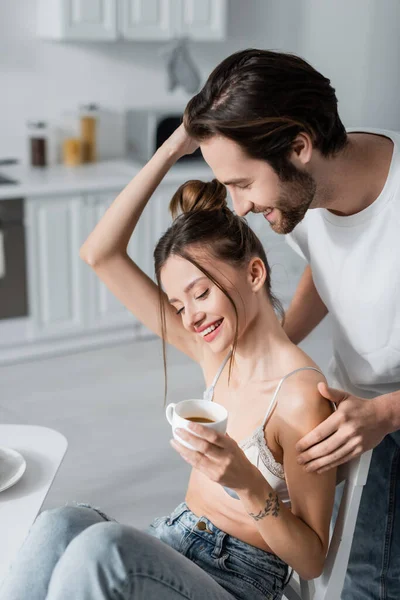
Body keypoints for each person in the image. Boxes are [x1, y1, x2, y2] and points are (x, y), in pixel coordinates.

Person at [0, 126, 337, 600]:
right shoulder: (216, 353)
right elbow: (99, 254)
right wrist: (174, 148)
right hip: (174, 540)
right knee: (63, 523)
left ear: (255, 273)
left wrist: (246, 483)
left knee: (104, 547)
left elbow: (312, 558)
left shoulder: (301, 399)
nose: (191, 317)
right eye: (179, 306)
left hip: (239, 578)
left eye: (201, 293)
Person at [182, 48, 400, 600]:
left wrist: (385, 412)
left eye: (242, 184)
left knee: (368, 587)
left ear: (299, 147)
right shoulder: (310, 189)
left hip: (387, 413)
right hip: (356, 409)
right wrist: (268, 347)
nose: (241, 207)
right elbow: (329, 269)